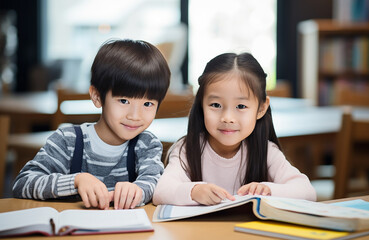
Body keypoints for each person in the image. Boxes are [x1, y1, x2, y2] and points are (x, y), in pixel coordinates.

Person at [13, 39, 170, 210]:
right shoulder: (68, 141)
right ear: (97, 96)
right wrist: (75, 181)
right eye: (124, 100)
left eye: (148, 104)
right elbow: (22, 184)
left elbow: (153, 183)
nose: (135, 116)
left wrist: (138, 190)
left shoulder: (147, 145)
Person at [153, 52, 316, 206]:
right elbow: (161, 191)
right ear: (202, 104)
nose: (228, 118)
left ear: (261, 108)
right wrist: (194, 191)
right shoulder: (186, 149)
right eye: (215, 105)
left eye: (241, 106)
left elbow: (307, 192)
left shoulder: (267, 152)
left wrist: (268, 189)